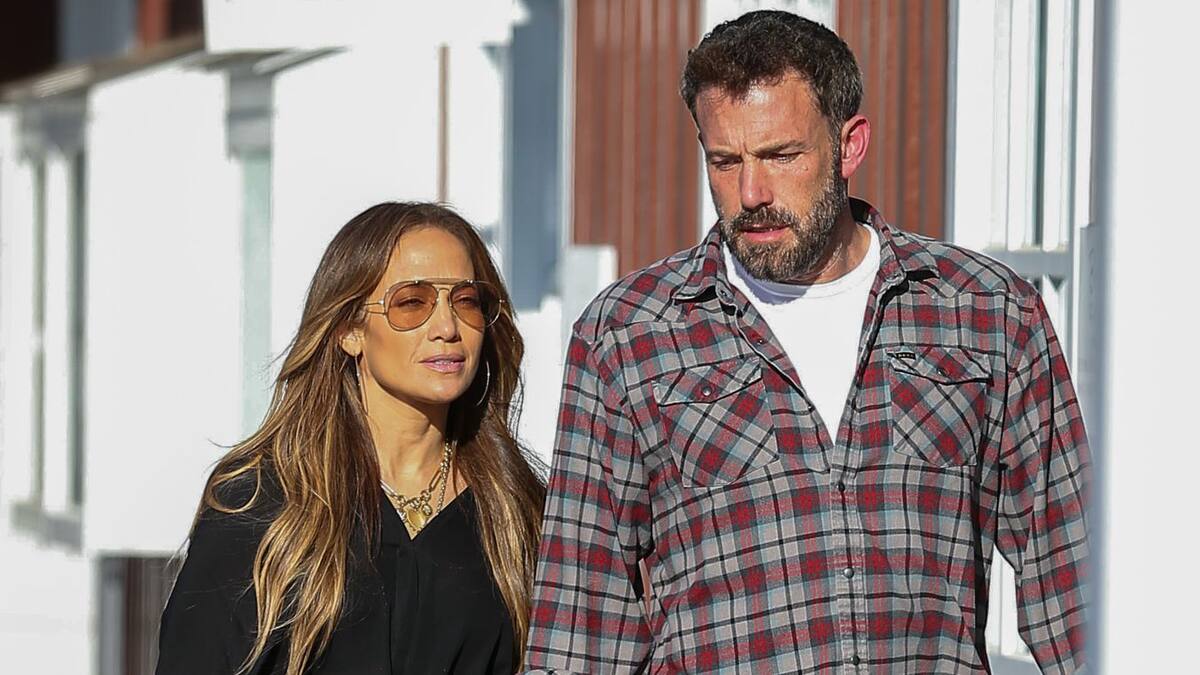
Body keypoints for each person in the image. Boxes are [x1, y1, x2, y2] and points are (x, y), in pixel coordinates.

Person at [525, 10, 1090, 674]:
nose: (751, 192)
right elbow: (580, 627)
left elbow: (1075, 588)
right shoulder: (627, 336)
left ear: (850, 146)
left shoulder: (987, 312)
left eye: (781, 156)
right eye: (725, 161)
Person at [157, 202, 546, 675]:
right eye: (411, 303)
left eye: (466, 301)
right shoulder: (262, 502)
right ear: (350, 331)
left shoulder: (518, 512)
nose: (447, 328)